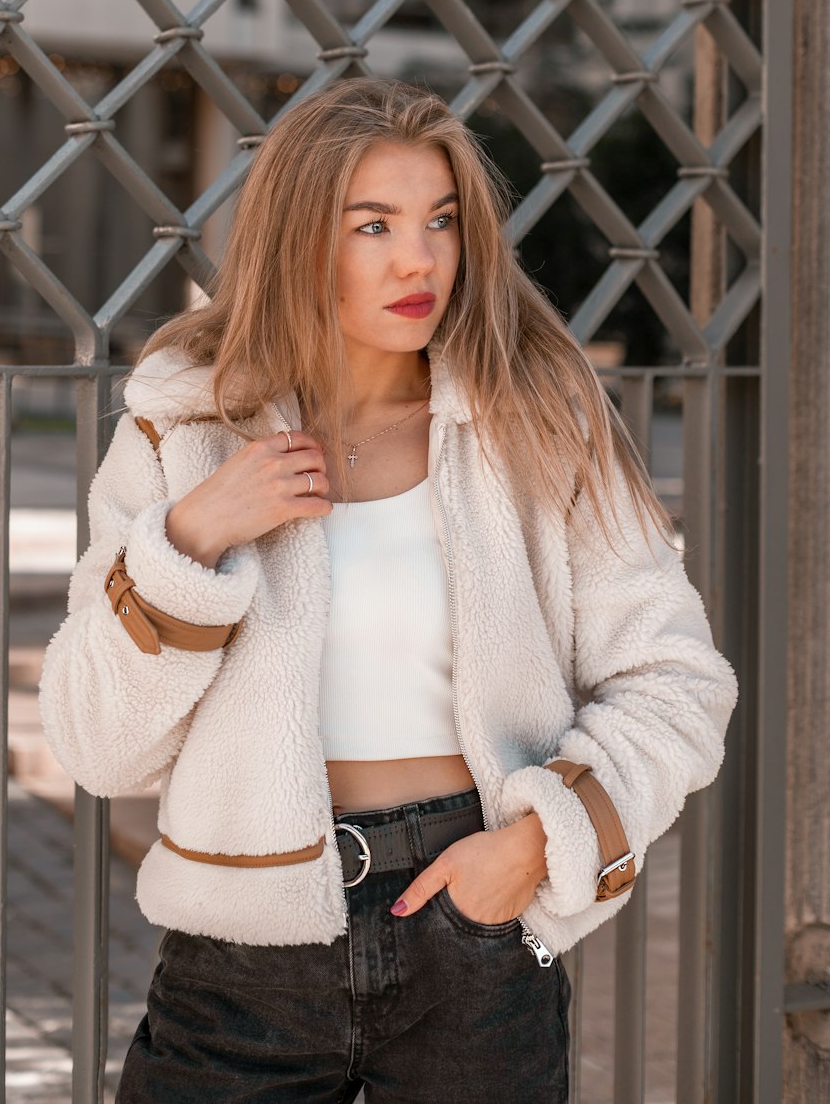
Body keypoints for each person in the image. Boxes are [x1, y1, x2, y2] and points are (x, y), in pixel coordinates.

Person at [39, 78, 738, 1103]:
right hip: (243, 951)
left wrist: (539, 845)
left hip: (479, 926)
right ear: (295, 239)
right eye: (374, 225)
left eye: (441, 222)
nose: (420, 259)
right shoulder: (182, 427)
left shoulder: (535, 415)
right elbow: (96, 746)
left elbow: (677, 679)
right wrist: (191, 539)